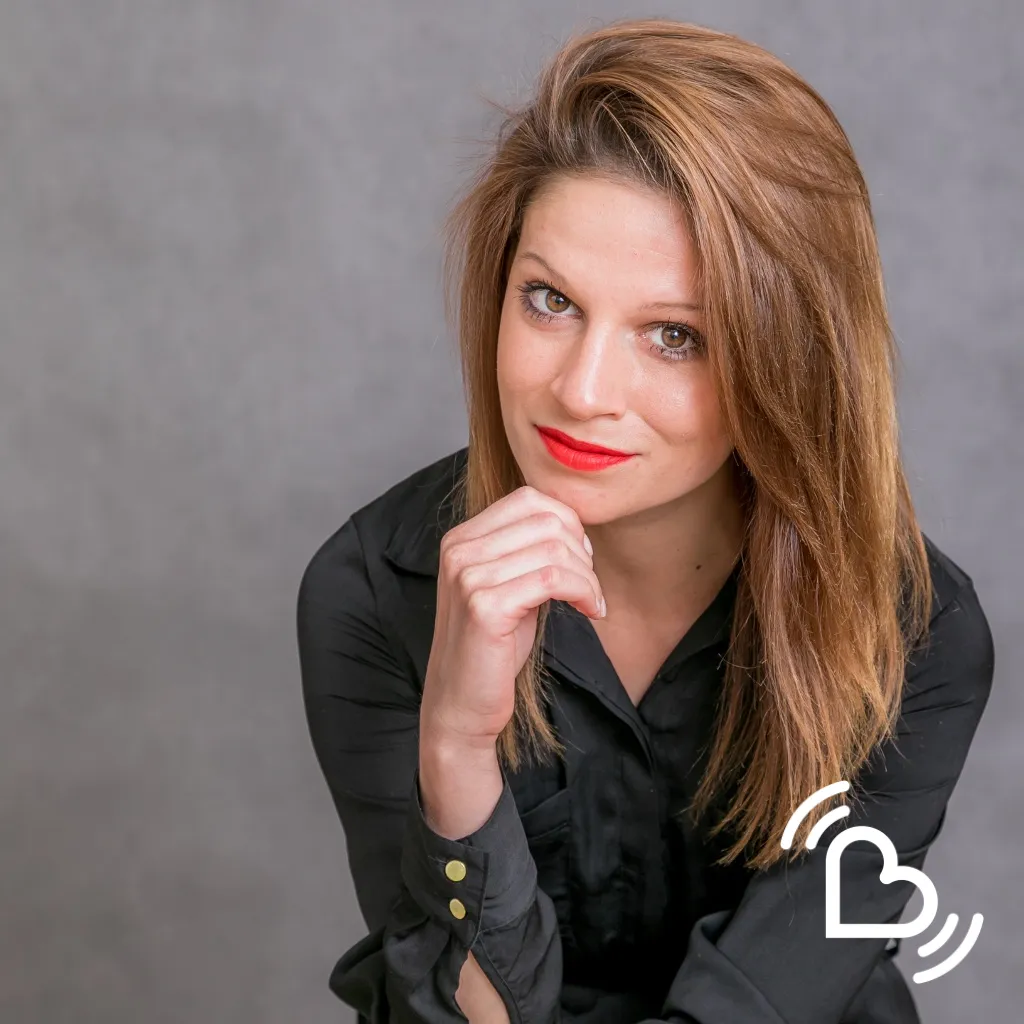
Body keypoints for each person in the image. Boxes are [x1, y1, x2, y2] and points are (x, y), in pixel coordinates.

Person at [296, 17, 995, 1024]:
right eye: (550, 301)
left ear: (788, 359)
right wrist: (455, 746)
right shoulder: (371, 591)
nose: (582, 391)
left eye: (674, 336)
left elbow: (762, 1003)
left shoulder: (915, 635)